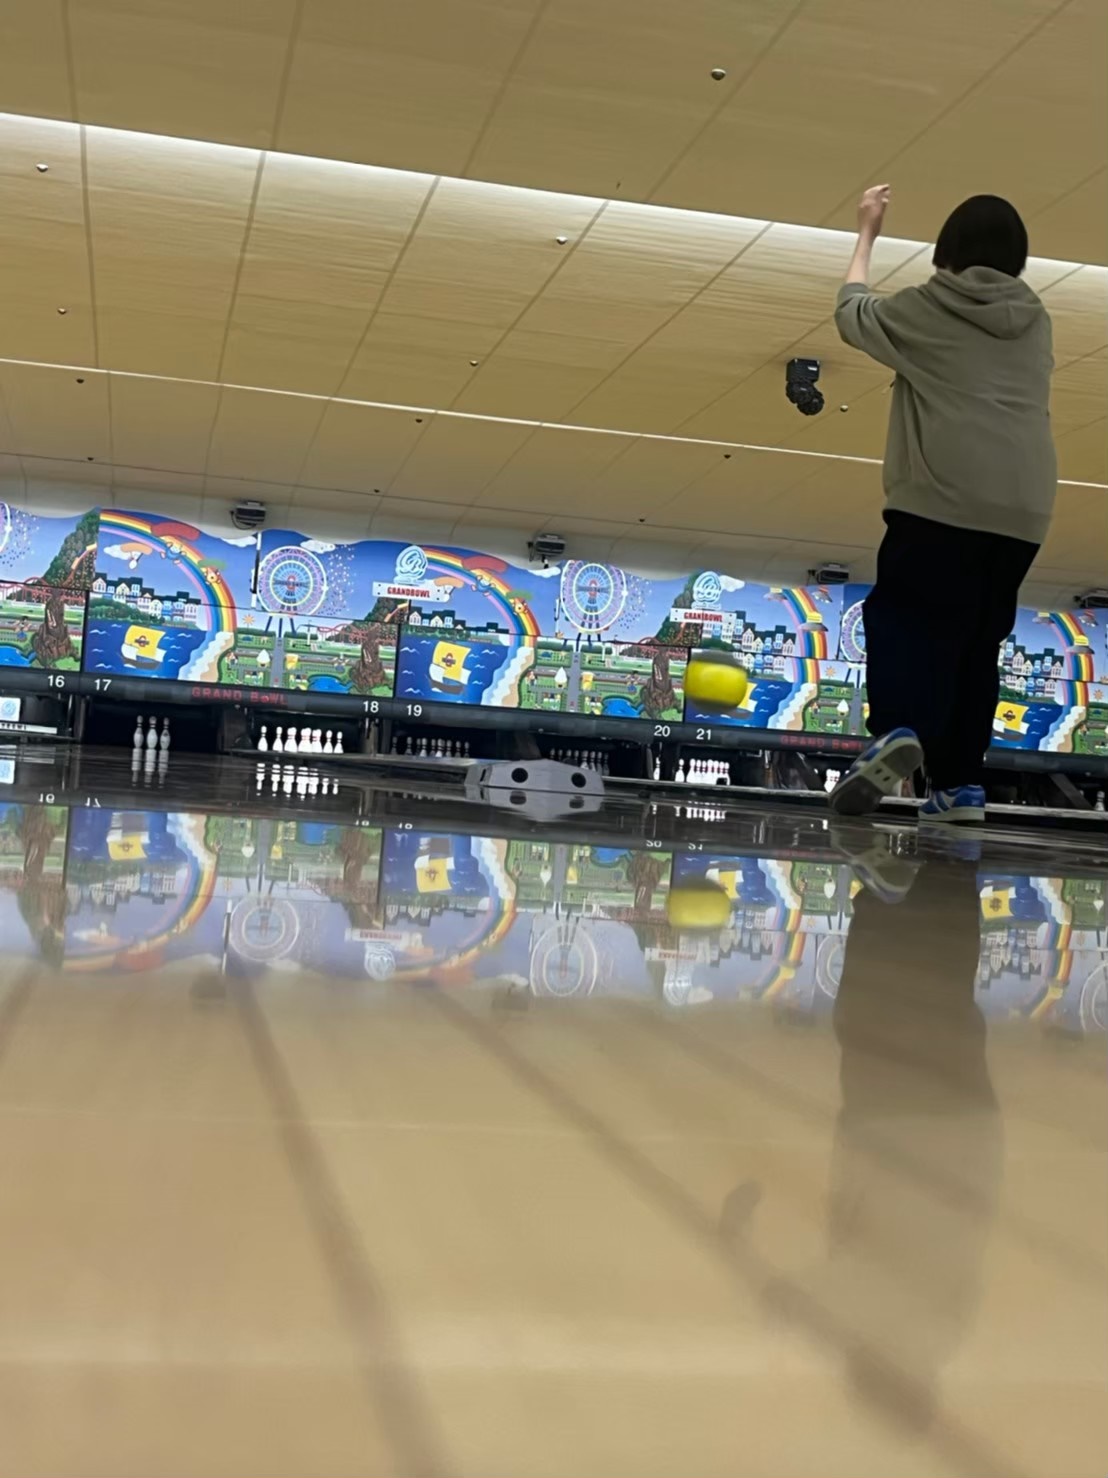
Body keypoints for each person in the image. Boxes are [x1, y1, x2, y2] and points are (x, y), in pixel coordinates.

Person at [829, 187, 1056, 823]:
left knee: (902, 616)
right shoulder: (1036, 319)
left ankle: (898, 729)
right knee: (976, 644)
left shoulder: (928, 306)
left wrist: (867, 233)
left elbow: (851, 312)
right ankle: (958, 786)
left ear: (946, 251)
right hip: (1024, 509)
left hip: (942, 497)